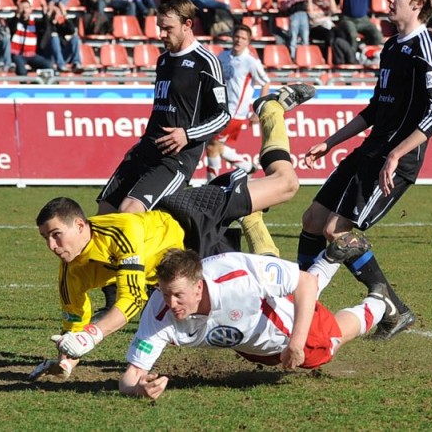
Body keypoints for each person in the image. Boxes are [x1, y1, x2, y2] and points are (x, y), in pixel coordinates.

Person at [30, 80, 316, 379]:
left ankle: (270, 110)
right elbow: (75, 324)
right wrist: (65, 361)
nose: (52, 246)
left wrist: (91, 336)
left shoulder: (120, 229)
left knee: (286, 184)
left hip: (190, 215)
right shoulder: (69, 274)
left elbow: (130, 300)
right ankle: (251, 218)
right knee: (257, 297)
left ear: (79, 225)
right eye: (45, 238)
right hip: (188, 260)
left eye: (56, 235)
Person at [295, 0, 432, 341]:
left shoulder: (425, 47)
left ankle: (304, 303)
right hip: (372, 148)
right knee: (313, 219)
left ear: (418, 4)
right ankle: (388, 308)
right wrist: (330, 142)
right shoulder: (392, 46)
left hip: (396, 159)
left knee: (337, 230)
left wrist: (397, 154)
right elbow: (376, 109)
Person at [118, 248, 393, 398]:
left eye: (178, 295)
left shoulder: (236, 274)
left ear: (199, 288)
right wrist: (138, 389)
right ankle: (329, 258)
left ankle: (379, 304)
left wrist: (296, 343)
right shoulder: (158, 312)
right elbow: (129, 378)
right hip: (250, 342)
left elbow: (304, 283)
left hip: (279, 324)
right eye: (165, 293)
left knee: (325, 345)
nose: (170, 303)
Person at [97, 0, 231, 215]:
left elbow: (223, 115)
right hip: (145, 150)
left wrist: (187, 135)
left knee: (129, 211)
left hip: (174, 159)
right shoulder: (163, 60)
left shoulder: (206, 62)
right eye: (159, 27)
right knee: (105, 211)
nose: (161, 34)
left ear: (187, 25)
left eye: (167, 28)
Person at [206, 23, 270, 181]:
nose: (239, 40)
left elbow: (265, 83)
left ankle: (210, 183)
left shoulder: (251, 62)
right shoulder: (223, 56)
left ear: (248, 42)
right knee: (214, 145)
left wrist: (257, 111)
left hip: (235, 113)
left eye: (243, 38)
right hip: (219, 110)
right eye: (237, 37)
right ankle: (246, 167)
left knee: (212, 146)